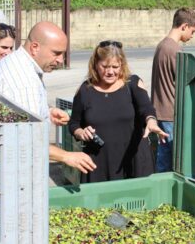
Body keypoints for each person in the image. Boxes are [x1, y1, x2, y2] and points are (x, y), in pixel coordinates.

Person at [0, 21, 96, 174]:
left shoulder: (14, 63)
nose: (61, 60)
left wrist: (47, 112)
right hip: (17, 177)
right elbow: (26, 140)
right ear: (35, 47)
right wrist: (66, 156)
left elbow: (13, 113)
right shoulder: (24, 80)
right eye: (56, 53)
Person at [69, 40, 168, 183]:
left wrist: (151, 121)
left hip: (134, 161)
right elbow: (74, 124)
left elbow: (146, 108)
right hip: (98, 164)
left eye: (115, 66)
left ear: (122, 65)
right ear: (95, 64)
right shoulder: (85, 90)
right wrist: (81, 133)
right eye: (105, 66)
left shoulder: (132, 84)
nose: (110, 71)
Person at [151, 7, 195, 173]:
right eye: (192, 31)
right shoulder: (175, 50)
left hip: (160, 110)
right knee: (170, 160)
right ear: (184, 26)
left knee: (163, 155)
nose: (192, 36)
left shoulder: (162, 45)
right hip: (170, 112)